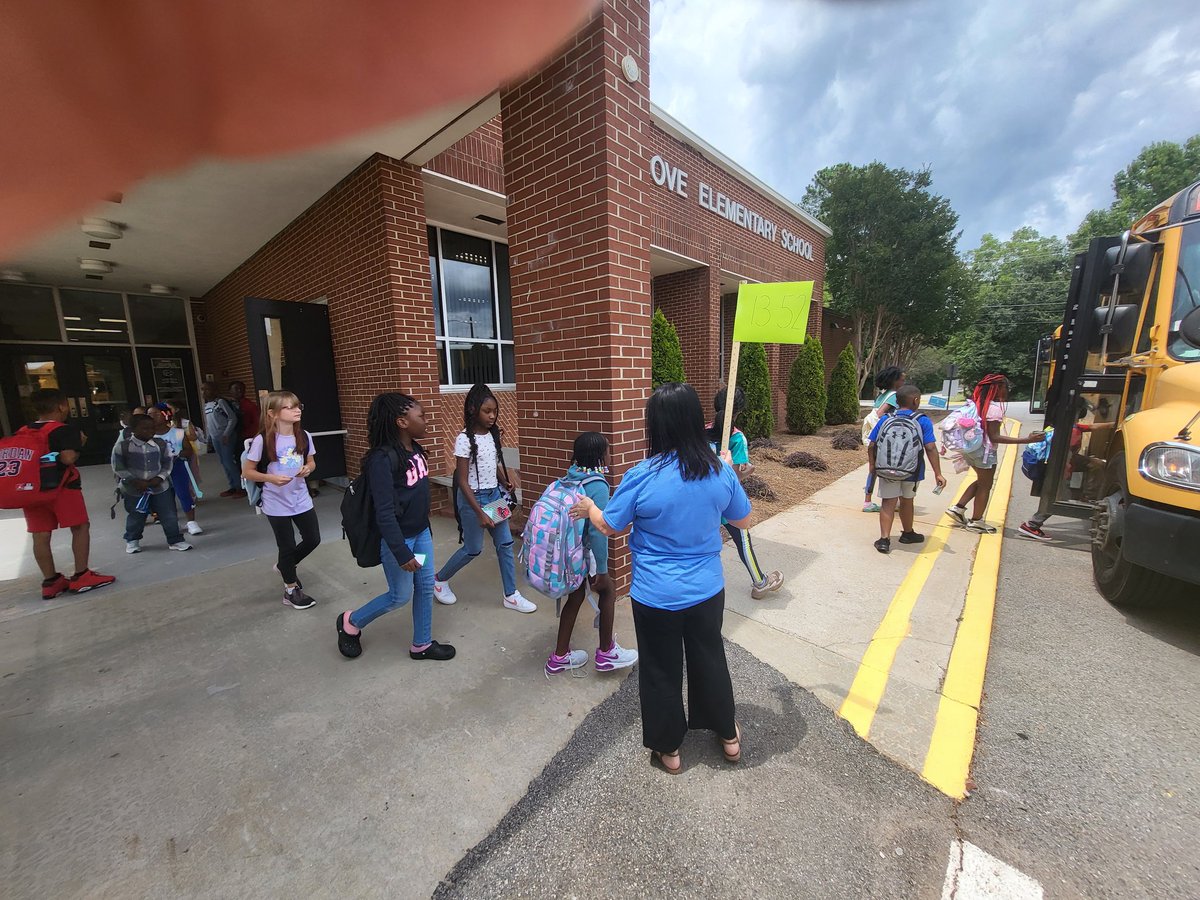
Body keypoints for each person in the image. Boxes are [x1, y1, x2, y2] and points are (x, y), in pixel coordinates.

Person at [572, 382, 751, 775]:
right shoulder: (718, 469)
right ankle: (728, 737)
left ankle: (670, 750)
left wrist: (588, 508)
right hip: (706, 590)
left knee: (661, 668)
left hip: (656, 595)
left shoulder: (642, 474)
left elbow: (611, 526)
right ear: (692, 421)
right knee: (710, 659)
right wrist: (727, 472)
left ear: (655, 425)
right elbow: (742, 519)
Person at [336, 393, 456, 661]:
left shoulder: (415, 450)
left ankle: (422, 644)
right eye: (421, 416)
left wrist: (423, 530)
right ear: (402, 421)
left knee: (425, 587)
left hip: (421, 533)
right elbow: (384, 512)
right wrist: (402, 552)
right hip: (398, 541)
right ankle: (351, 622)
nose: (427, 421)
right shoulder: (382, 459)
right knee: (399, 596)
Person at [433, 383, 534, 613]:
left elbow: (492, 462)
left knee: (505, 544)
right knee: (473, 548)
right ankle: (439, 580)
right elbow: (461, 480)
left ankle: (511, 595)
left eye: (494, 412)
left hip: (494, 495)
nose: (492, 416)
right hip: (473, 500)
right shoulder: (464, 439)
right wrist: (479, 512)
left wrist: (503, 480)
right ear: (472, 409)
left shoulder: (492, 435)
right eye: (487, 411)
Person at [546, 431, 639, 676]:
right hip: (585, 554)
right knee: (608, 590)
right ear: (599, 457)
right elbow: (599, 531)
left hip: (570, 551)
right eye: (608, 451)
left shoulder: (569, 477)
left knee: (576, 598)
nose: (610, 455)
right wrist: (604, 569)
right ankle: (607, 652)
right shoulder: (596, 485)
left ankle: (559, 656)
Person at [18, 389, 116, 598]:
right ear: (61, 407)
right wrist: (78, 443)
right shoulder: (64, 430)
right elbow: (68, 458)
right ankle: (81, 575)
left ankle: (50, 581)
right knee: (80, 527)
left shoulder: (24, 431)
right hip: (62, 488)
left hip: (33, 490)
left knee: (40, 534)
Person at [242, 391, 319, 609]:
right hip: (276, 502)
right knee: (286, 546)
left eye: (298, 405)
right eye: (289, 407)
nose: (297, 410)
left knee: (313, 539)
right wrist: (270, 478)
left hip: (301, 498)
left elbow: (312, 462)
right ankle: (291, 590)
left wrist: (307, 468)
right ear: (273, 414)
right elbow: (248, 471)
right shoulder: (262, 440)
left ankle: (286, 566)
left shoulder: (303, 435)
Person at [704, 386, 783, 598]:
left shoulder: (702, 431)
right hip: (728, 501)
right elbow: (735, 476)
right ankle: (760, 582)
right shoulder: (738, 439)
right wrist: (750, 472)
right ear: (740, 411)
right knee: (743, 541)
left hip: (703, 500)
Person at [945, 374, 1043, 533]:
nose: (1007, 390)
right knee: (985, 485)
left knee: (982, 480)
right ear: (997, 388)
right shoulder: (994, 409)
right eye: (1005, 387)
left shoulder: (974, 404)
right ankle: (976, 521)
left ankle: (958, 508)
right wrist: (1027, 439)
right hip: (985, 452)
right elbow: (994, 436)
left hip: (970, 451)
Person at [867, 384, 946, 554]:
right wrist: (938, 473)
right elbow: (930, 447)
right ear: (915, 400)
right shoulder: (922, 420)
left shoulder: (885, 419)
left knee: (888, 502)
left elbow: (872, 444)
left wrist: (873, 466)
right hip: (912, 470)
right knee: (907, 500)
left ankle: (884, 539)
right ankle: (908, 534)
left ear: (896, 401)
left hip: (887, 469)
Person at [113, 414, 192, 554]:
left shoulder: (160, 444)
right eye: (145, 428)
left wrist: (160, 478)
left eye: (152, 428)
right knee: (136, 515)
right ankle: (132, 540)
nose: (150, 431)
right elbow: (118, 467)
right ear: (134, 429)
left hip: (160, 487)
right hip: (135, 488)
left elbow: (168, 463)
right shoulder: (123, 446)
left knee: (169, 514)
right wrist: (135, 480)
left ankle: (175, 540)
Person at [151, 403, 202, 535]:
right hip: (158, 469)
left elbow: (188, 450)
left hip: (177, 465)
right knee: (165, 496)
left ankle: (191, 522)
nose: (152, 417)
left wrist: (178, 454)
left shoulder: (178, 433)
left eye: (155, 414)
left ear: (165, 415)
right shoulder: (148, 436)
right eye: (149, 415)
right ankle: (173, 522)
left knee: (183, 493)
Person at [861, 366, 905, 513]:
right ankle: (896, 501)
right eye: (902, 379)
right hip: (884, 439)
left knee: (872, 469)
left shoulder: (882, 395)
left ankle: (868, 501)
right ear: (895, 381)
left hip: (873, 438)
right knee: (893, 468)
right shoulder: (893, 396)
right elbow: (880, 414)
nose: (903, 382)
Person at [201, 381, 245, 498]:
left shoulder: (220, 402)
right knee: (223, 462)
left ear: (215, 390)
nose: (204, 392)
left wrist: (226, 434)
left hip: (226, 437)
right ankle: (232, 486)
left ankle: (240, 487)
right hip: (215, 438)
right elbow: (209, 424)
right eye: (202, 390)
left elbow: (232, 418)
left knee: (228, 462)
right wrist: (208, 439)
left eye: (207, 389)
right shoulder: (207, 405)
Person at [229, 380, 261, 445]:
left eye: (241, 389)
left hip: (246, 437)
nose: (239, 391)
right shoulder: (227, 405)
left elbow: (257, 422)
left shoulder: (250, 405)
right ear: (230, 391)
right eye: (236, 389)